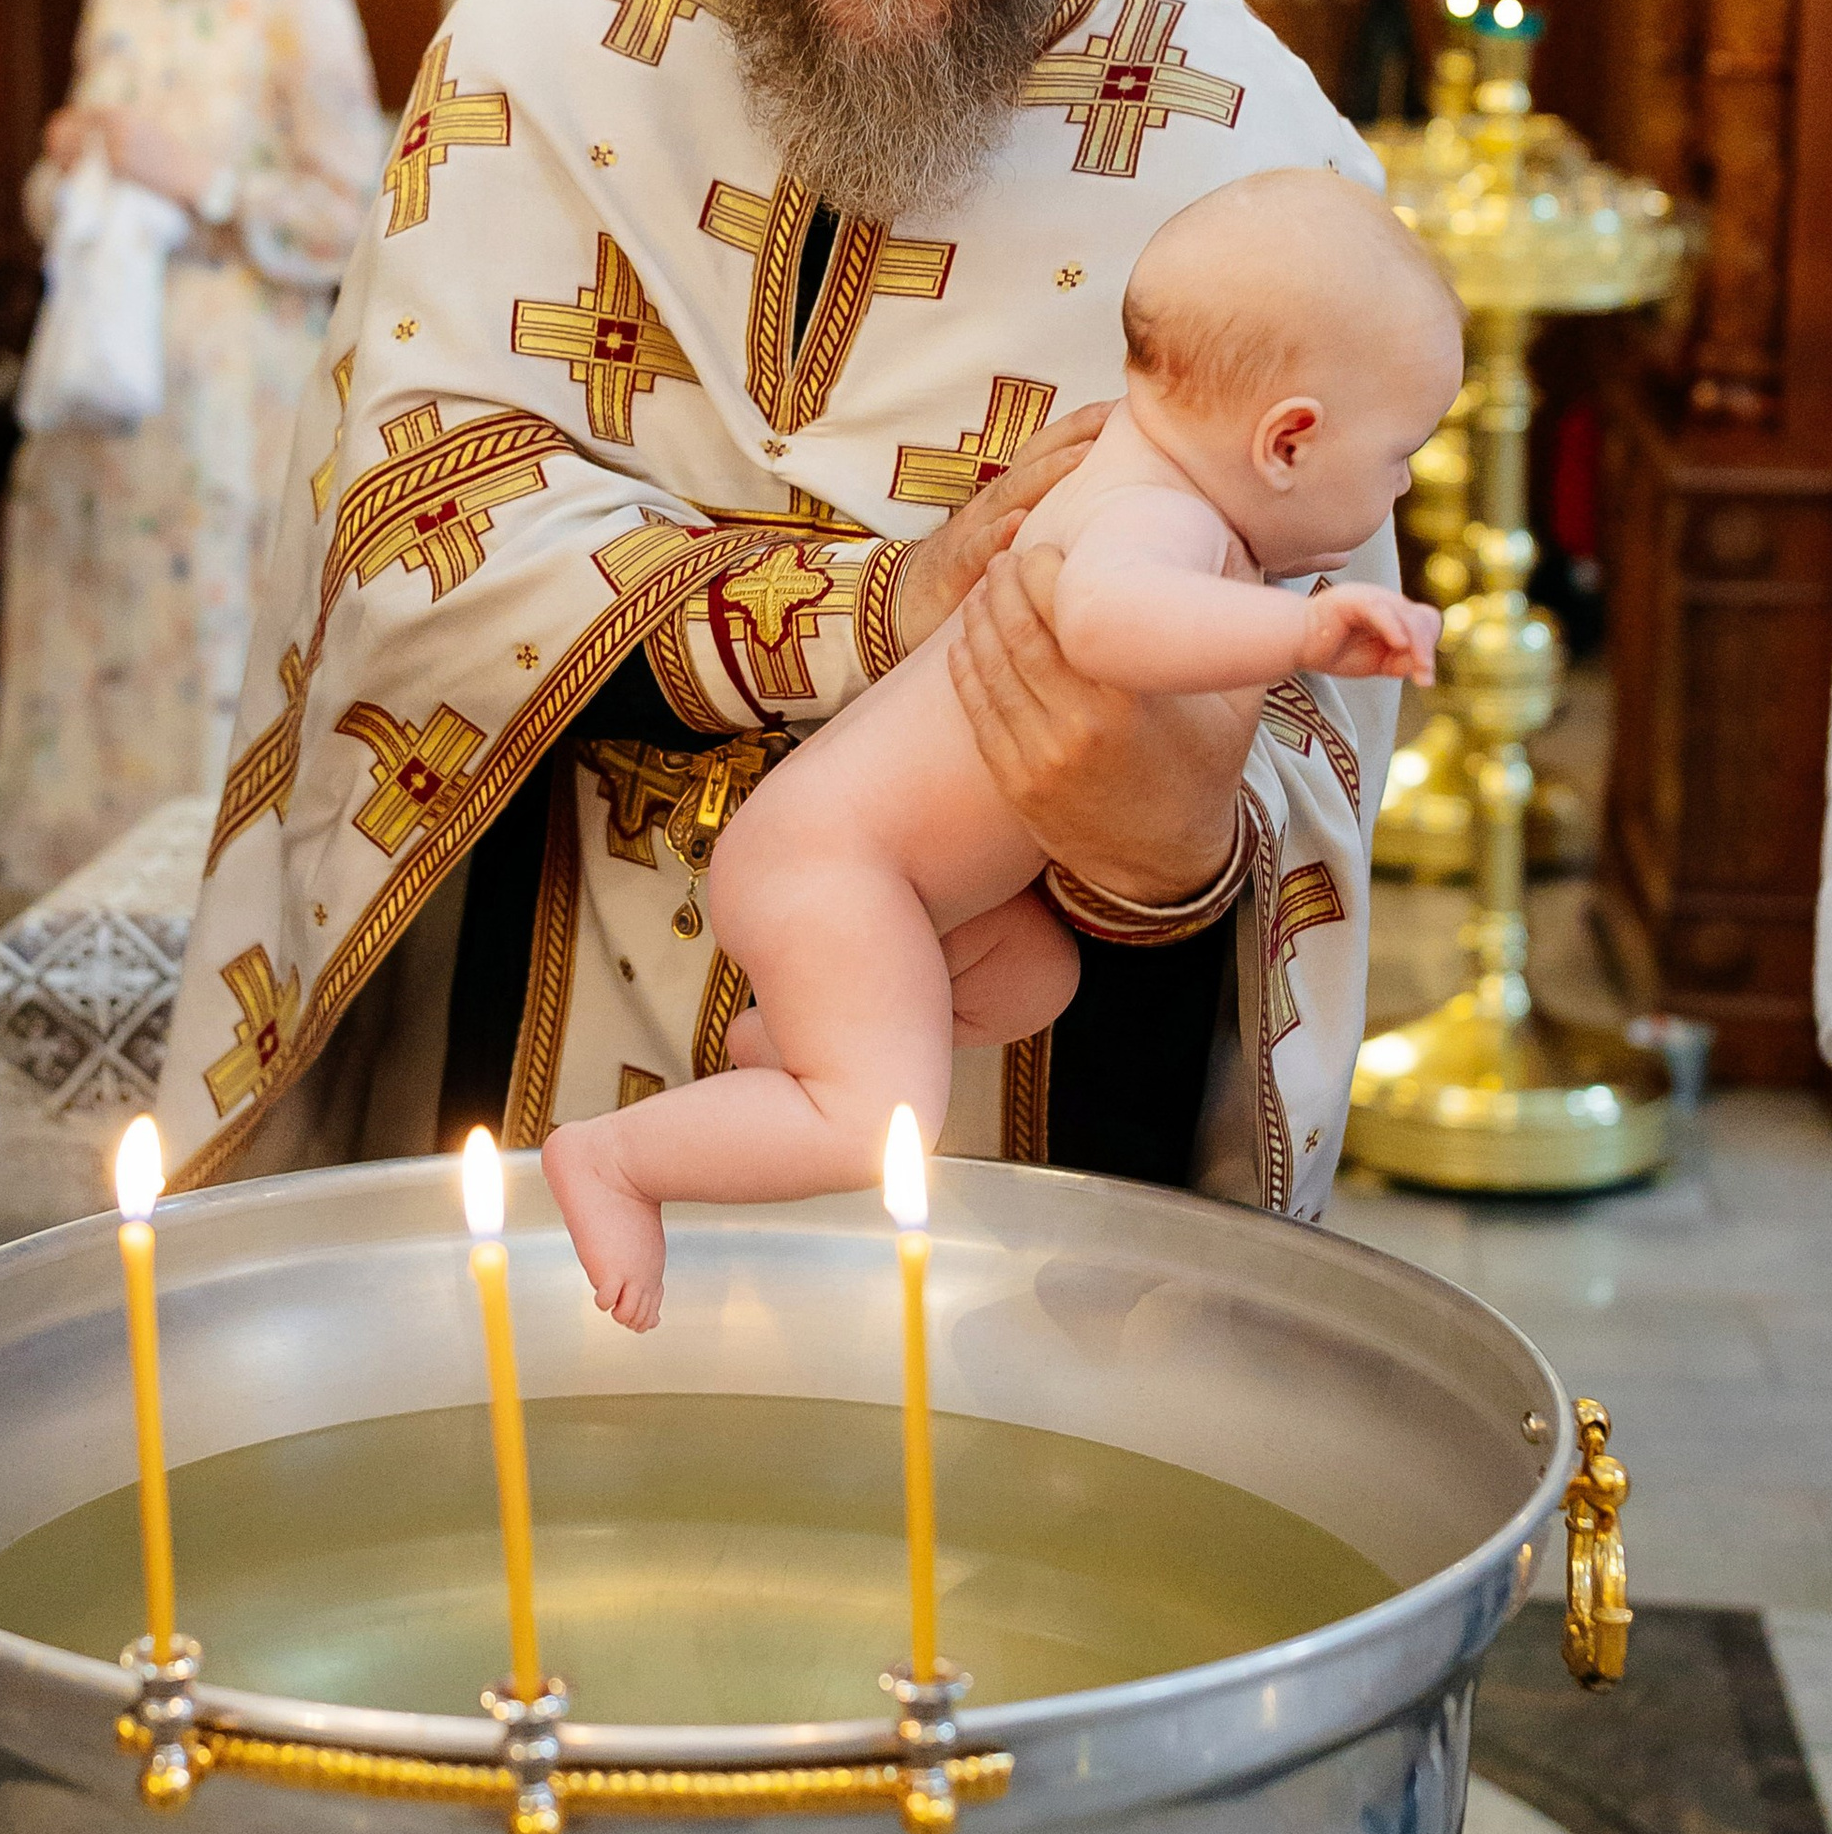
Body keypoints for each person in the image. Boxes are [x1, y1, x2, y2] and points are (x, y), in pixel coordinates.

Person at [160, 0, 1407, 1834]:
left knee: (982, 1795)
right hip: (550, 993)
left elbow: (1302, 731)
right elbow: (409, 509)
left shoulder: (1241, 138)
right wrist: (848, 627)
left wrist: (1113, 788)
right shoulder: (545, 36)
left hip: (1016, 1101)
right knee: (560, 1753)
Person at [547, 171, 1454, 1326]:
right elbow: (1101, 619)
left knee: (1035, 977)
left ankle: (789, 1037)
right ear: (1286, 441)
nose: (1405, 484)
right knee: (882, 1120)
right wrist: (1304, 626)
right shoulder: (1152, 515)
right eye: (1398, 457)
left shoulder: (1154, 470)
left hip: (889, 878)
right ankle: (617, 1162)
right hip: (832, 865)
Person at [0, 0, 382, 888]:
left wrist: (194, 179)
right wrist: (71, 167)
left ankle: (225, 939)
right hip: (107, 391)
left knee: (221, 647)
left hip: (235, 402)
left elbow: (353, 216)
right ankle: (103, 921)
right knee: (105, 653)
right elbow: (66, 197)